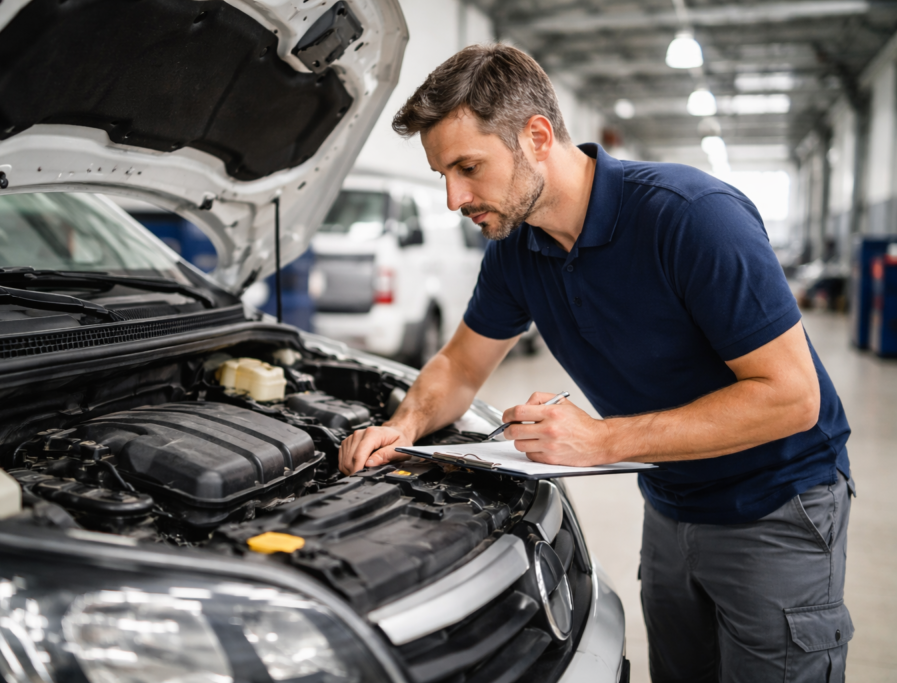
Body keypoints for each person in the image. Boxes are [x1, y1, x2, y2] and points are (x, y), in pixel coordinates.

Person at [338, 44, 854, 683]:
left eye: (468, 167)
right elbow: (460, 366)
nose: (453, 198)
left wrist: (602, 439)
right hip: (670, 500)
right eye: (444, 173)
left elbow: (791, 396)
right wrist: (406, 425)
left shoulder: (691, 219)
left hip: (777, 505)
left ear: (536, 136)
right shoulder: (516, 247)